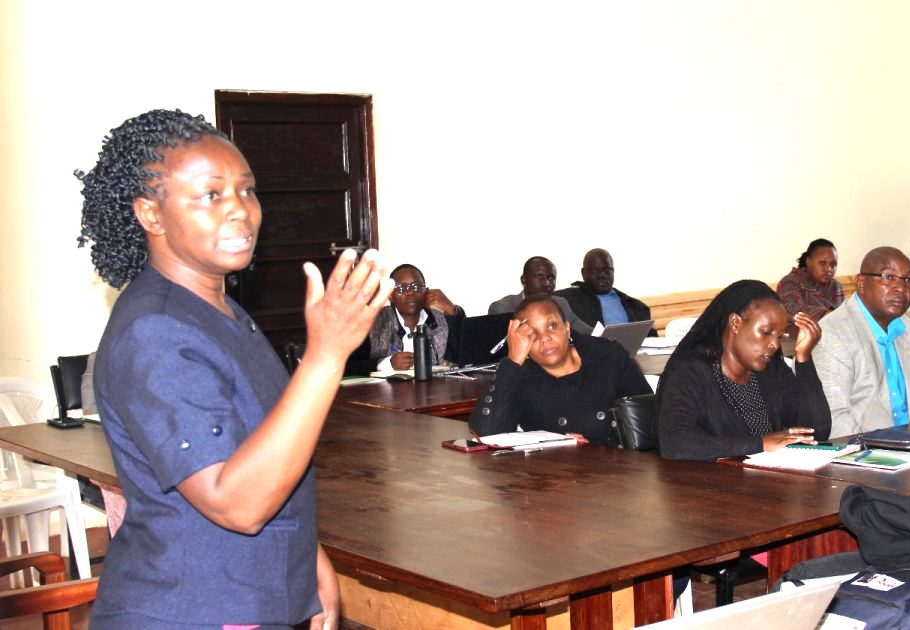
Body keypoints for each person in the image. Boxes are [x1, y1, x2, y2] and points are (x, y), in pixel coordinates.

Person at [78, 109, 393, 628]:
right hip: (192, 607)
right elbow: (236, 503)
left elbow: (262, 451)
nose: (240, 212)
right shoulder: (155, 331)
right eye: (211, 195)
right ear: (150, 215)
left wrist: (305, 558)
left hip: (244, 592)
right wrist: (326, 354)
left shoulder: (219, 311)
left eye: (247, 191)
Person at [657, 280, 831, 461]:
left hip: (765, 481)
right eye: (765, 332)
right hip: (713, 484)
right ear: (735, 323)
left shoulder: (771, 368)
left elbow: (817, 431)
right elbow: (674, 443)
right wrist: (760, 444)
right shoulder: (691, 371)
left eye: (779, 336)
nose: (774, 344)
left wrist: (803, 358)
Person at [468, 295, 651, 446]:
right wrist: (513, 360)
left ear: (567, 328)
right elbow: (486, 434)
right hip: (553, 479)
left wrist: (598, 448)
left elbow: (649, 423)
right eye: (532, 334)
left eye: (552, 326)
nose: (545, 338)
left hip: (619, 473)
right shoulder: (521, 377)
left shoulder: (608, 357)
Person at [813, 247, 910, 438]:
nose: (901, 288)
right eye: (888, 277)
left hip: (909, 451)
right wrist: (885, 453)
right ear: (861, 283)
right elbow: (834, 420)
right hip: (861, 457)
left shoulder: (908, 329)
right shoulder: (832, 334)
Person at [364, 264, 465, 372]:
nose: (410, 293)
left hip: (436, 387)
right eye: (401, 289)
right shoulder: (373, 322)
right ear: (390, 296)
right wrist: (388, 363)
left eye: (416, 287)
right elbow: (351, 366)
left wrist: (452, 311)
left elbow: (465, 357)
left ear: (426, 292)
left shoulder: (441, 319)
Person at [488, 255, 594, 335]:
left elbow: (589, 333)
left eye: (551, 278)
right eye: (540, 276)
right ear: (523, 280)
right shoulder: (502, 308)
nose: (546, 283)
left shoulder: (561, 304)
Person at [555, 248, 653, 330]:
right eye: (595, 271)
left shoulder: (635, 307)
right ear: (583, 273)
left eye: (607, 270)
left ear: (613, 272)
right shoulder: (567, 300)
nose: (602, 275)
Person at [777, 238, 844, 320]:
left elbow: (843, 315)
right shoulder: (791, 282)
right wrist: (825, 314)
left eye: (833, 265)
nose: (828, 269)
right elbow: (789, 308)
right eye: (822, 263)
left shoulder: (836, 286)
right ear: (808, 261)